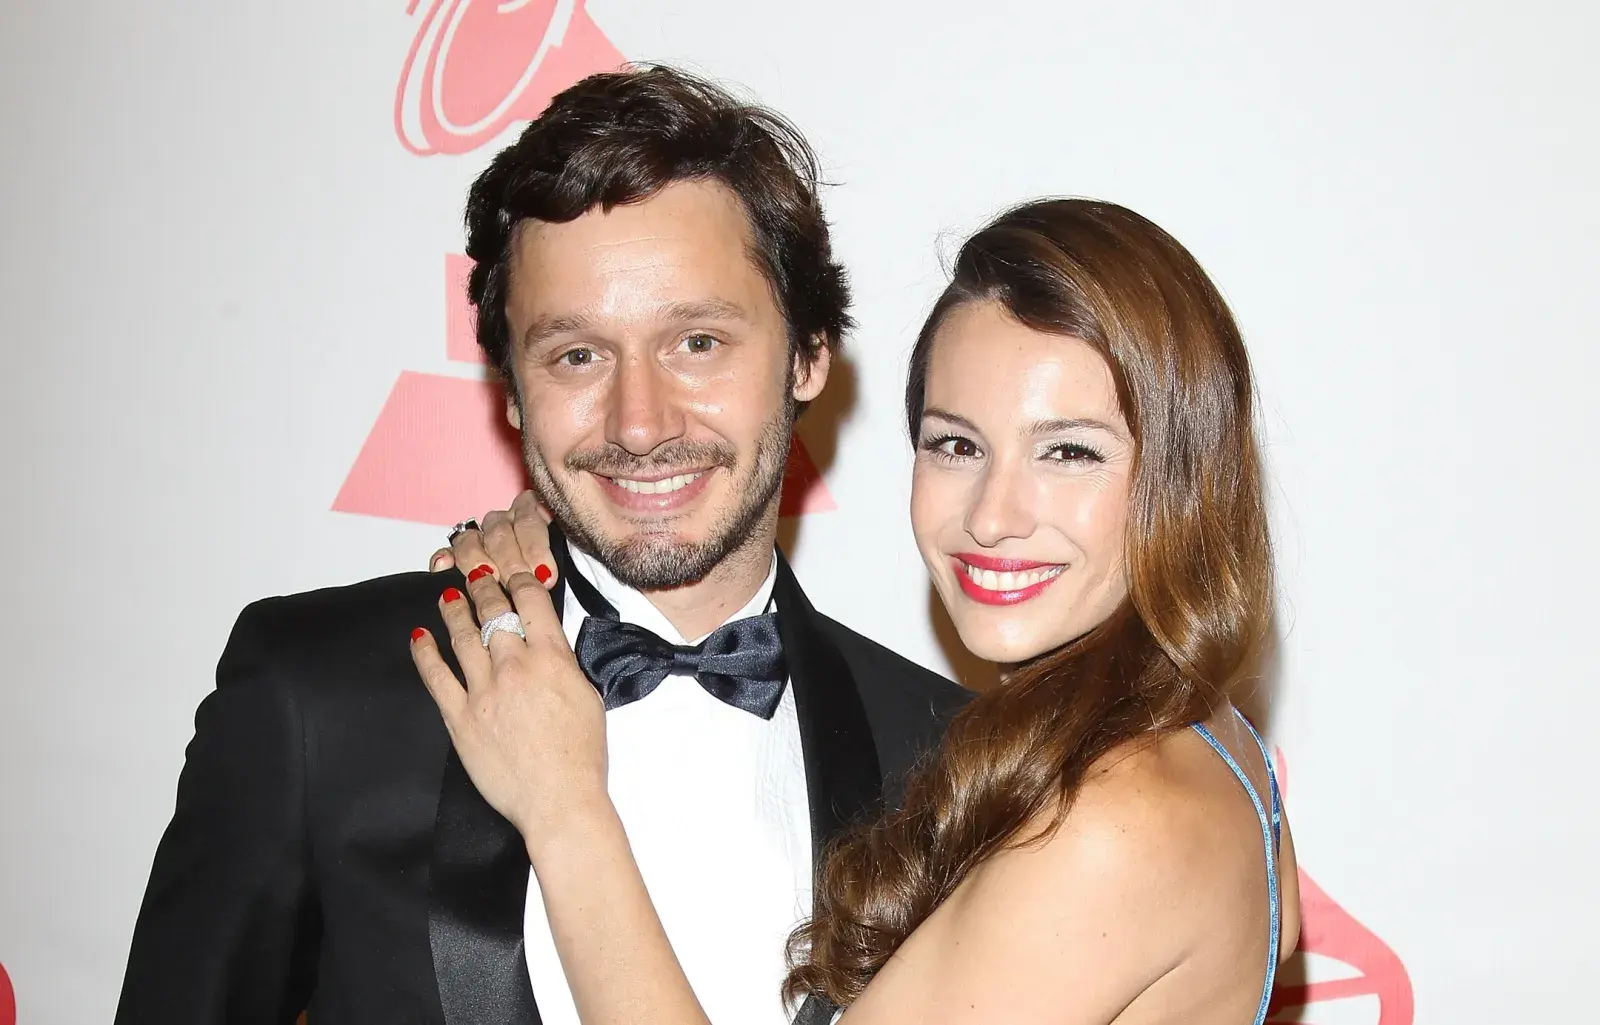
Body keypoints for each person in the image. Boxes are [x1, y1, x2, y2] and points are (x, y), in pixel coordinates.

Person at [114, 66, 968, 1025]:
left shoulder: (956, 758)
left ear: (809, 354)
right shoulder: (318, 695)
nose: (639, 423)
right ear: (512, 391)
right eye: (577, 355)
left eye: (697, 342)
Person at [419, 197, 1302, 1024]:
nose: (992, 516)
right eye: (956, 444)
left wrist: (566, 810)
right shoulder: (1198, 744)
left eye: (1068, 452)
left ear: (1183, 475)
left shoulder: (1118, 823)